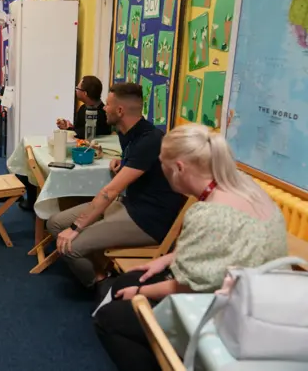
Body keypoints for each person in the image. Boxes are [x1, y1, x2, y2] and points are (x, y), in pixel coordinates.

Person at [93, 123, 287, 371]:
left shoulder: (208, 214)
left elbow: (188, 288)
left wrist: (141, 293)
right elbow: (222, 248)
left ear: (179, 168)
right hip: (260, 297)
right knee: (127, 281)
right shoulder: (245, 186)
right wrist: (164, 260)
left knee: (109, 318)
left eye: (162, 164)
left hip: (229, 315)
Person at [46, 82, 186, 289]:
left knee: (70, 247)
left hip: (148, 220)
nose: (103, 108)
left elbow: (110, 191)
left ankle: (101, 284)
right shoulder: (126, 132)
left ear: (120, 111)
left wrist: (76, 228)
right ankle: (101, 270)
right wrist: (125, 162)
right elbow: (141, 163)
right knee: (55, 223)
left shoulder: (150, 140)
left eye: (108, 105)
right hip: (130, 204)